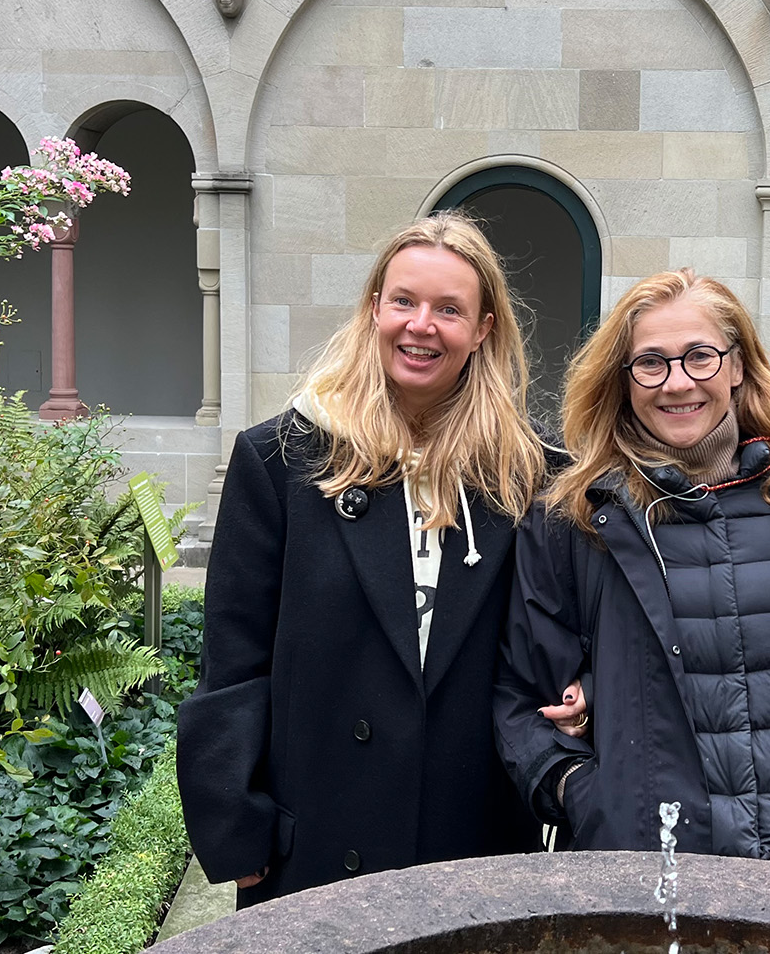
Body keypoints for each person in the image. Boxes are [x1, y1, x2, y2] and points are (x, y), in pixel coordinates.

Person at [494, 268, 770, 878]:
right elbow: (523, 702)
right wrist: (588, 797)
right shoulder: (573, 524)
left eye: (700, 357)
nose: (678, 383)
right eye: (650, 363)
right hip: (649, 884)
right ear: (622, 383)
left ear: (737, 366)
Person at [178, 214, 551, 905]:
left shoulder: (524, 473)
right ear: (374, 306)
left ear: (483, 330)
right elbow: (233, 656)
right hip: (320, 834)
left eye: (449, 309)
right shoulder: (281, 459)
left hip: (473, 837)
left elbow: (553, 636)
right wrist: (236, 823)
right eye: (404, 301)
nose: (421, 325)